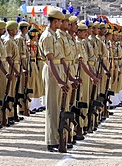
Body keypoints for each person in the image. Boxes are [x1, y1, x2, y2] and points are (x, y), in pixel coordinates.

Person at [38, 8, 70, 152]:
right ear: (55, 21)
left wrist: (68, 78)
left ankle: (59, 137)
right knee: (52, 107)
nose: (62, 24)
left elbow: (61, 58)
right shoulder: (47, 36)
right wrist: (59, 80)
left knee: (60, 106)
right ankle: (51, 140)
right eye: (61, 21)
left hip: (59, 70)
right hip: (52, 72)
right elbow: (50, 60)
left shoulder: (55, 36)